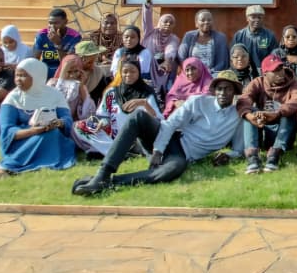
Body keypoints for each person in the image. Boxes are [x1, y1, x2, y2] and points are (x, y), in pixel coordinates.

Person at [72, 70, 244, 195]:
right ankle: (103, 173)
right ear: (214, 90)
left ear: (235, 92)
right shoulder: (198, 102)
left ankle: (108, 182)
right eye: (219, 88)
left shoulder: (237, 117)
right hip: (170, 139)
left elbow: (238, 149)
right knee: (139, 116)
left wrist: (228, 155)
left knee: (173, 169)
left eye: (228, 89)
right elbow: (170, 124)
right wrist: (158, 150)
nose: (223, 93)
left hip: (182, 155)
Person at [0, 58, 76, 180]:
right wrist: (34, 131)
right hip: (22, 140)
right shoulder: (13, 98)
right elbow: (7, 131)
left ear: (37, 77)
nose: (18, 79)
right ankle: (9, 165)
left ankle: (8, 166)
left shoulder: (54, 95)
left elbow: (67, 119)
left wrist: (59, 123)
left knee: (52, 133)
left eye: (23, 76)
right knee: (46, 135)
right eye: (17, 75)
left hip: (50, 135)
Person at [72, 56, 161, 157]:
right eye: (125, 72)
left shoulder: (147, 93)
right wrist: (102, 123)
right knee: (79, 126)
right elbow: (103, 116)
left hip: (139, 138)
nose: (128, 75)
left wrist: (144, 103)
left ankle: (112, 151)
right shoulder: (111, 92)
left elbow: (157, 120)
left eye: (133, 71)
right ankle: (117, 151)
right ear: (120, 73)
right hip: (115, 137)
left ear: (139, 73)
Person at [237, 54, 297, 174]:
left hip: (283, 134)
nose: (280, 73)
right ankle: (252, 157)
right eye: (275, 71)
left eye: (280, 68)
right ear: (265, 74)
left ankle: (274, 156)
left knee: (289, 114)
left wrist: (277, 113)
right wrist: (250, 116)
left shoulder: (294, 84)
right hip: (263, 129)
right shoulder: (258, 82)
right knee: (250, 111)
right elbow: (244, 100)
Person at [140, 0, 181, 95]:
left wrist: (167, 61)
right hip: (146, 69)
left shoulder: (173, 38)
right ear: (160, 22)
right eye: (165, 21)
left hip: (163, 70)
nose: (168, 24)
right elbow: (146, 17)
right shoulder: (150, 32)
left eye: (171, 23)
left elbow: (171, 49)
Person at [32, 8, 82, 79]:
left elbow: (68, 64)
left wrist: (58, 44)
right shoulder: (42, 35)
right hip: (46, 70)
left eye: (56, 23)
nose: (52, 27)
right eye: (50, 23)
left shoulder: (74, 36)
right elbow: (35, 59)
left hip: (65, 72)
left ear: (65, 22)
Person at [178, 9, 229, 74]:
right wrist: (190, 71)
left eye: (209, 20)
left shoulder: (220, 38)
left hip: (212, 74)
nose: (206, 22)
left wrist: (209, 72)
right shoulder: (189, 36)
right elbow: (181, 57)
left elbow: (222, 62)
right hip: (191, 74)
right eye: (203, 20)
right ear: (196, 23)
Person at [47, 54, 95, 121]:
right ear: (62, 71)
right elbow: (55, 107)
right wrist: (62, 79)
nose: (72, 75)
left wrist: (81, 87)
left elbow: (88, 115)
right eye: (69, 72)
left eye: (76, 71)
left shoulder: (79, 86)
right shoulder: (52, 84)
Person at [233, 5, 279, 72]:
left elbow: (274, 58)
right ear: (247, 18)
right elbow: (233, 57)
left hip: (264, 72)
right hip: (243, 72)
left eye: (259, 17)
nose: (257, 20)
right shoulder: (239, 35)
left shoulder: (270, 36)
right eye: (253, 17)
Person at [75, 40, 111, 104]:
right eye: (89, 63)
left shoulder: (98, 74)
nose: (92, 66)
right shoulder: (69, 73)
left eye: (93, 61)